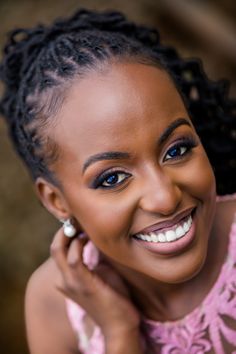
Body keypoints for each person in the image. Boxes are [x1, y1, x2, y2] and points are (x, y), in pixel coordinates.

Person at [0, 8, 236, 354]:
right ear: (56, 201)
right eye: (112, 178)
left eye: (177, 150)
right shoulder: (54, 305)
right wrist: (120, 332)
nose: (164, 198)